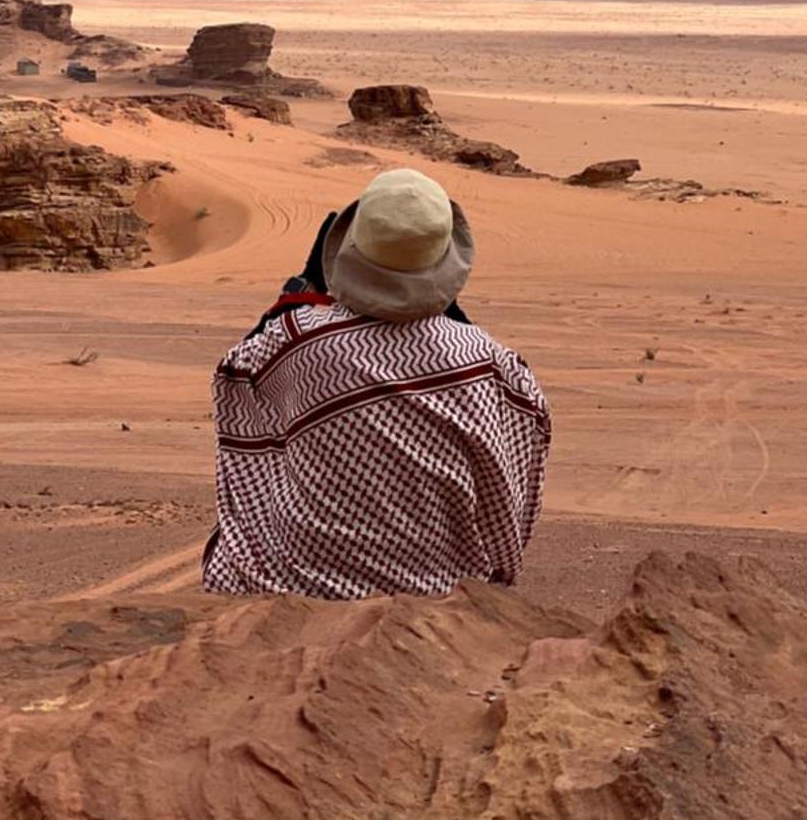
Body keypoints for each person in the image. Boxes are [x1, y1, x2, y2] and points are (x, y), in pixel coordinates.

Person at [202, 167, 549, 599]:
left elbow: (236, 379)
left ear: (348, 248)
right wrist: (446, 314)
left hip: (304, 589)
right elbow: (514, 475)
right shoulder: (491, 362)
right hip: (439, 590)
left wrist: (297, 291)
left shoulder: (295, 340)